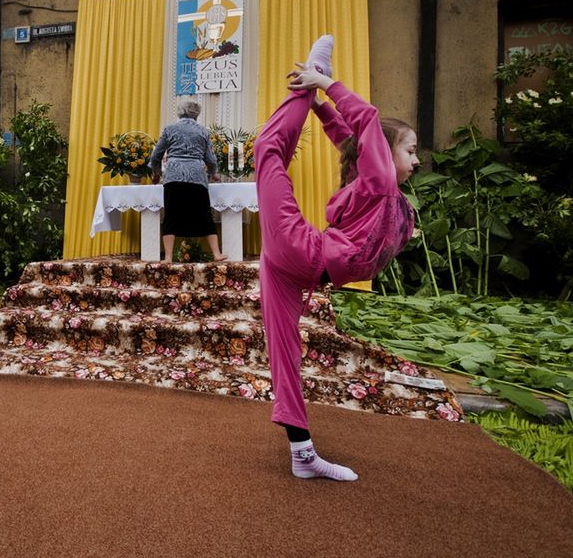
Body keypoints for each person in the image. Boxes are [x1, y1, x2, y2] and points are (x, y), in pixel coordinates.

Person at [255, 35, 419, 481]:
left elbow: (359, 130)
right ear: (386, 154)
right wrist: (323, 92)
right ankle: (302, 452)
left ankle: (303, 85)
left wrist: (319, 89)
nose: (416, 159)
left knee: (268, 152)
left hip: (305, 259)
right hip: (300, 261)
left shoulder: (378, 185)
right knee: (282, 349)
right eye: (410, 149)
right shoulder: (380, 180)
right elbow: (358, 126)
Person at [149, 99, 227, 262]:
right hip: (197, 176)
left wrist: (156, 173)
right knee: (204, 214)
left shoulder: (169, 129)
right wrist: (213, 173)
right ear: (196, 114)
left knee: (171, 215)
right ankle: (216, 254)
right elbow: (211, 158)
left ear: (180, 112)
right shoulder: (203, 131)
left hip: (174, 176)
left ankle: (169, 256)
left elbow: (156, 155)